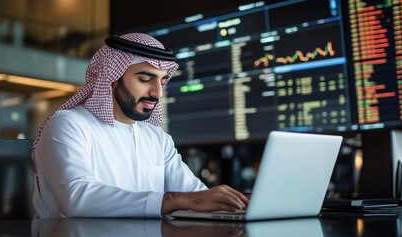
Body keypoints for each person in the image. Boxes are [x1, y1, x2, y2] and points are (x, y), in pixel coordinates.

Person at [32, 32, 249, 218]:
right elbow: (78, 199)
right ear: (112, 77)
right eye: (145, 79)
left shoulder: (156, 138)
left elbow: (195, 196)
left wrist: (239, 203)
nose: (157, 93)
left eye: (162, 81)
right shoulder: (68, 124)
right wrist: (177, 200)